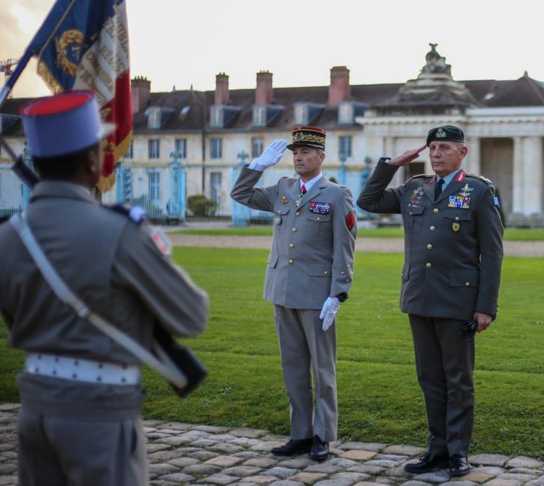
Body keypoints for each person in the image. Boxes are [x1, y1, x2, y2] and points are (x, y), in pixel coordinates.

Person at [0, 90, 209, 486]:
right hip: (99, 409)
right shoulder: (118, 232)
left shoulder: (9, 237)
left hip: (34, 405)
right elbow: (191, 316)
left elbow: (14, 317)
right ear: (92, 159)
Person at [357, 125, 504, 477]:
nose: (436, 154)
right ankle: (436, 449)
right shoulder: (414, 188)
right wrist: (391, 164)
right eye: (432, 148)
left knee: (458, 380)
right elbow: (368, 201)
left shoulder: (479, 191)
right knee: (430, 379)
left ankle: (458, 452)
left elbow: (493, 253)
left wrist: (486, 306)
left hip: (458, 302)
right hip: (419, 297)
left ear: (462, 152)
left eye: (444, 147)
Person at [230, 126, 356, 462]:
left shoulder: (336, 194)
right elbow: (240, 195)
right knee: (293, 367)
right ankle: (300, 433)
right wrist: (257, 166)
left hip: (317, 295)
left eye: (305, 152)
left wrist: (338, 294)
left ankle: (323, 435)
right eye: (295, 152)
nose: (298, 157)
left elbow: (345, 247)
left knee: (322, 370)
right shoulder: (283, 188)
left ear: (321, 157)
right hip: (282, 290)